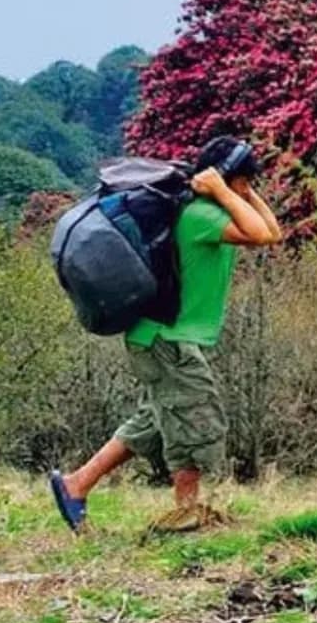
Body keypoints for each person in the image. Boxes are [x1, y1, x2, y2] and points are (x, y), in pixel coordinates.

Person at [50, 137, 284, 534]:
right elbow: (260, 235)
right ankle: (186, 515)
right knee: (193, 418)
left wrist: (237, 189)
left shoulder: (211, 208)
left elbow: (272, 232)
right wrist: (228, 192)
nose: (246, 191)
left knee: (154, 421)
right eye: (245, 182)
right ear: (229, 182)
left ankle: (76, 485)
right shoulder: (201, 215)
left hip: (159, 337)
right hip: (167, 337)